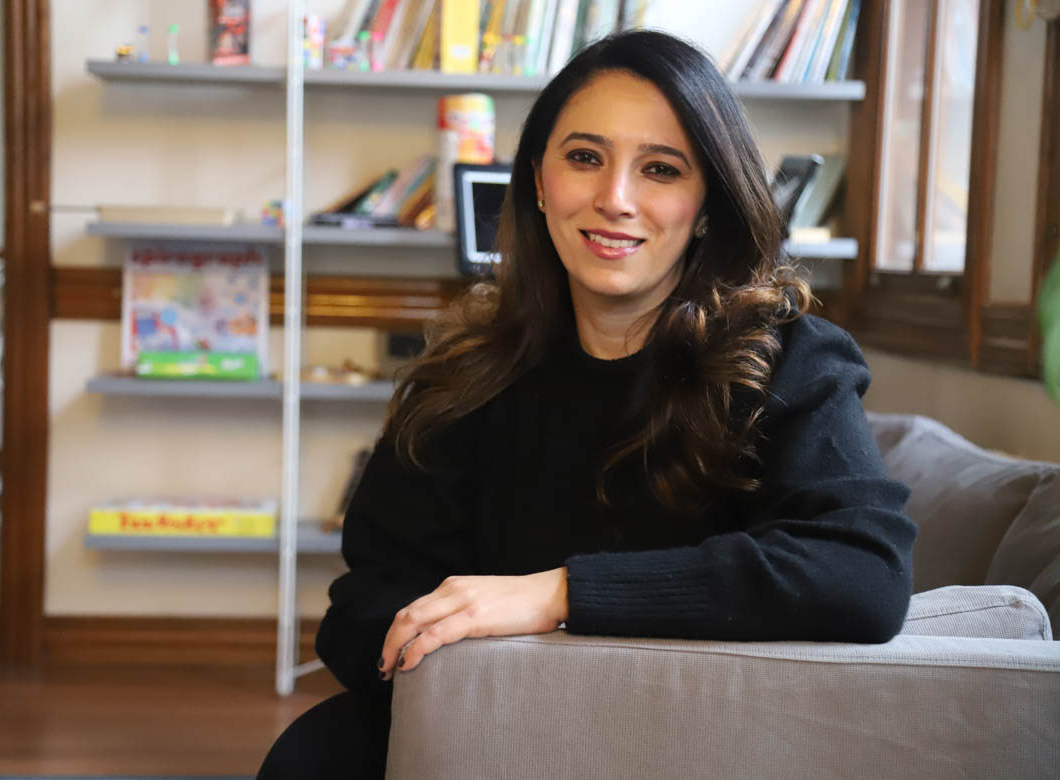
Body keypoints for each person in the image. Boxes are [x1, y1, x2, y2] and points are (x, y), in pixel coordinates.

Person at [257, 29, 916, 780]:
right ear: (539, 180)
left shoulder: (792, 357)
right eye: (584, 158)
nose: (615, 199)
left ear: (707, 206)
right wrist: (466, 656)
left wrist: (562, 596)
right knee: (311, 757)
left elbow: (863, 574)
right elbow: (363, 607)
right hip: (489, 719)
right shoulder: (458, 377)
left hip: (701, 739)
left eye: (661, 169)